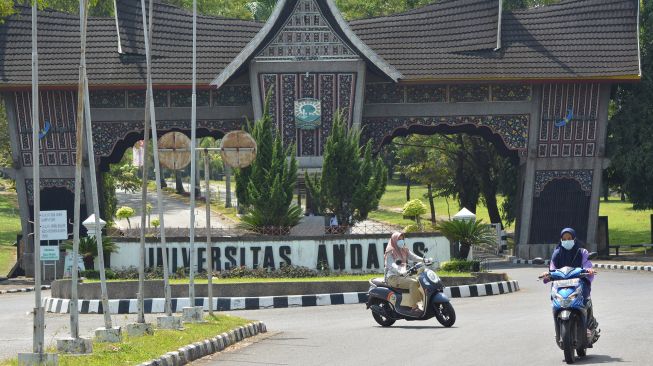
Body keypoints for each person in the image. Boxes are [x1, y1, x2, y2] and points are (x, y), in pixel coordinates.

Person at [541, 228, 599, 336]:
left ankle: (587, 325)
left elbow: (586, 264)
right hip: (560, 284)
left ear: (574, 239)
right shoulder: (556, 254)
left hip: (578, 283)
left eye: (569, 238)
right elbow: (552, 268)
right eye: (564, 239)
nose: (567, 241)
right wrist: (547, 274)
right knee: (554, 301)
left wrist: (588, 270)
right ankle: (558, 326)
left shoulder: (582, 252)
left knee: (585, 298)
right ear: (561, 240)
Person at [384, 231, 424, 312]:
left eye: (402, 239)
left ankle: (421, 302)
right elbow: (391, 265)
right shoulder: (390, 251)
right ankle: (414, 307)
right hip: (393, 277)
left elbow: (413, 256)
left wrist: (424, 260)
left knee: (420, 281)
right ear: (394, 240)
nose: (401, 241)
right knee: (412, 283)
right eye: (399, 239)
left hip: (403, 275)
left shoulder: (404, 249)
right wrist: (400, 270)